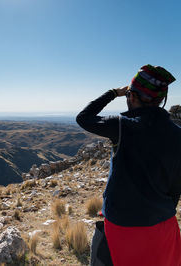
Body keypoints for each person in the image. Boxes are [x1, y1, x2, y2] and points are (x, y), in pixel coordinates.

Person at [76, 65, 181, 266]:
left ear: (132, 96)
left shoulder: (123, 125)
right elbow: (177, 186)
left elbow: (84, 118)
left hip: (123, 225)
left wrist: (113, 93)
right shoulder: (178, 135)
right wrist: (159, 211)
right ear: (160, 100)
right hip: (164, 223)